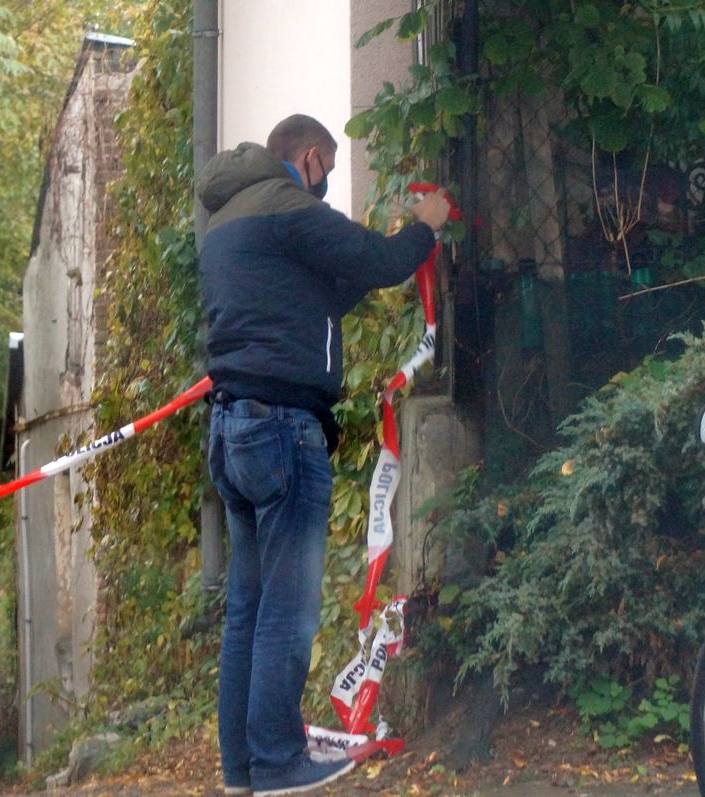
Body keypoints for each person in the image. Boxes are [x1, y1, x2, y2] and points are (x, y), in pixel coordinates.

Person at [196, 114, 450, 797]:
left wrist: (385, 254)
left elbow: (328, 288)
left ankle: (243, 768)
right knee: (287, 607)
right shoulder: (285, 204)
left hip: (231, 429)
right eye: (329, 170)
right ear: (310, 159)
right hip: (282, 428)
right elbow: (373, 259)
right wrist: (426, 225)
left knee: (248, 609)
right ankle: (278, 761)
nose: (329, 184)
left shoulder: (230, 220)